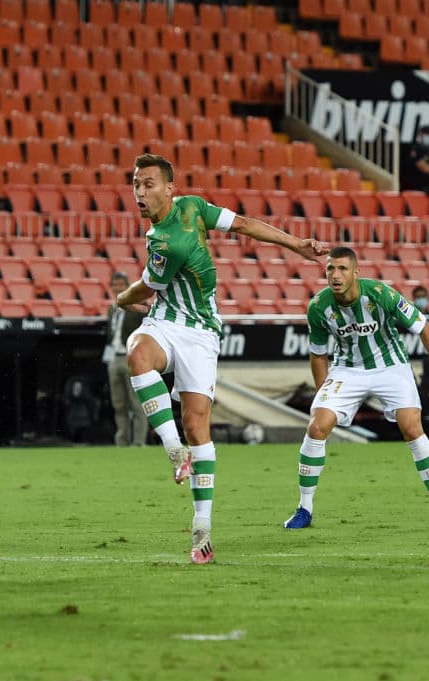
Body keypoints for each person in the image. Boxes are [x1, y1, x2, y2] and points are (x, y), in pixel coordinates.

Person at [116, 153, 326, 564]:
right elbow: (242, 227)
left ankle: (202, 527)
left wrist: (122, 298)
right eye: (136, 184)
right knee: (138, 354)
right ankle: (174, 450)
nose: (141, 192)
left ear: (171, 188)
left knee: (198, 427)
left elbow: (146, 287)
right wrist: (296, 245)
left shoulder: (170, 235)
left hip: (200, 332)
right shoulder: (177, 219)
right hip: (166, 322)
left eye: (149, 184)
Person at [283, 246, 429, 531]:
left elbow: (423, 326)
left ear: (355, 272)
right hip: (347, 369)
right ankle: (304, 508)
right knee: (317, 427)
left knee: (412, 428)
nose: (335, 275)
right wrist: (322, 393)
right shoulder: (318, 307)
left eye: (341, 269)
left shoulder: (381, 294)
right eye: (330, 269)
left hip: (391, 367)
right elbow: (318, 353)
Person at [103, 271, 148, 446]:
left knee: (136, 403)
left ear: (127, 286)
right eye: (115, 285)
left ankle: (138, 441)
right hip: (114, 357)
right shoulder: (112, 308)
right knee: (119, 403)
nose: (118, 288)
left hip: (131, 357)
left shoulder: (137, 306)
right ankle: (122, 440)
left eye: (121, 284)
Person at [403, 125, 429, 195]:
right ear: (421, 135)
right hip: (417, 188)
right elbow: (423, 167)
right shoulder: (415, 148)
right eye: (427, 134)